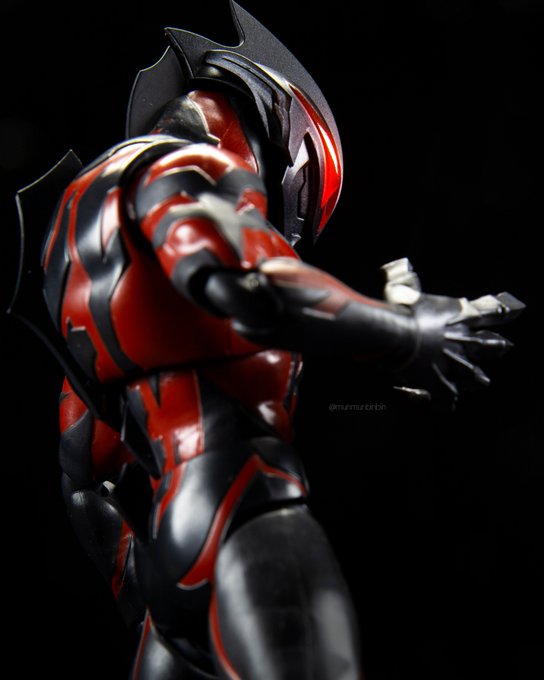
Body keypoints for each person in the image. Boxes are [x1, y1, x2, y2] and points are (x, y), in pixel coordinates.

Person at [12, 4, 523, 678]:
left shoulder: (77, 231)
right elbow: (252, 290)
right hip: (247, 508)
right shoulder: (192, 168)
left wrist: (146, 595)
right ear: (286, 136)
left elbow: (84, 471)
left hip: (169, 553)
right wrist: (405, 333)